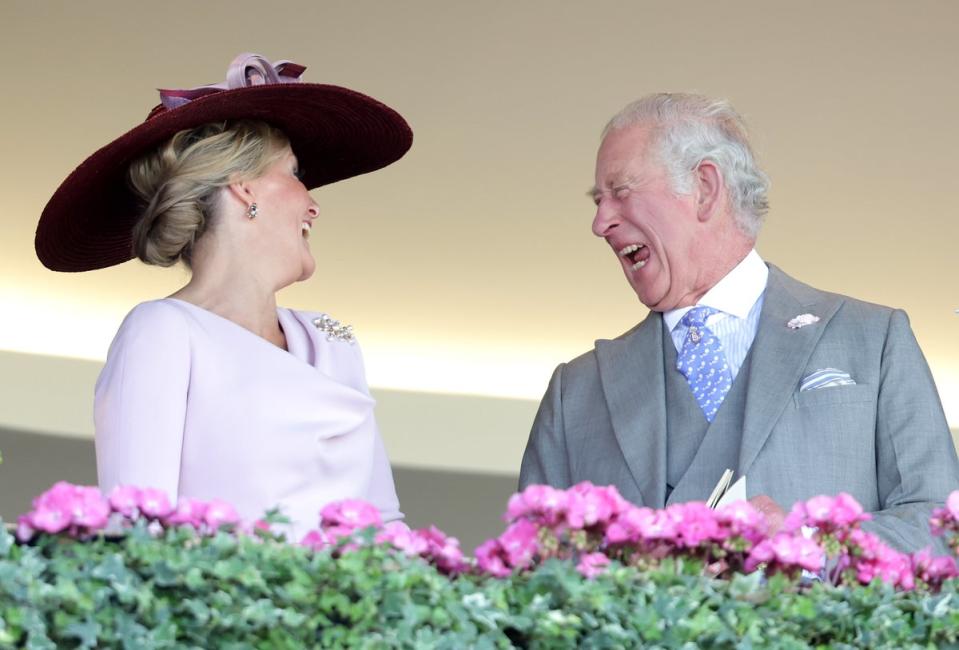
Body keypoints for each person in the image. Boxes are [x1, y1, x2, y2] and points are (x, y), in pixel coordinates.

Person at [519, 93, 959, 552]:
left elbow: (942, 532)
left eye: (620, 192)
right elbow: (533, 577)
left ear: (705, 188)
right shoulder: (576, 394)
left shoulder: (873, 339)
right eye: (598, 200)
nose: (600, 222)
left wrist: (807, 544)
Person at [35, 53, 413, 537]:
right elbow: (137, 534)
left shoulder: (333, 338)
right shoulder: (164, 331)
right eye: (295, 173)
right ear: (244, 186)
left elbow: (382, 522)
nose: (313, 204)